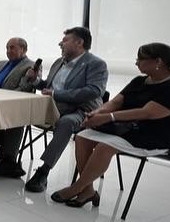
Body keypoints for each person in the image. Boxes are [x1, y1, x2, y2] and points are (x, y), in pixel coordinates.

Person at [50, 43, 170, 209]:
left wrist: (108, 117)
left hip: (157, 136)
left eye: (140, 59)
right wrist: (97, 112)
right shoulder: (140, 81)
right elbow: (116, 102)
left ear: (158, 62)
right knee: (82, 137)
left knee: (105, 147)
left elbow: (147, 113)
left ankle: (76, 187)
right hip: (128, 129)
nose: (136, 63)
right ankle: (88, 190)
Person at [21, 27, 109, 193]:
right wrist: (36, 80)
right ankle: (9, 158)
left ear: (79, 43)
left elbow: (94, 91)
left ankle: (43, 171)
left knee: (66, 123)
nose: (60, 43)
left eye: (65, 40)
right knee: (20, 110)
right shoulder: (58, 62)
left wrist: (56, 94)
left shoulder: (96, 64)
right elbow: (48, 86)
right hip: (53, 107)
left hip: (81, 111)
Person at [0, 37, 35, 177]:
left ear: (23, 49)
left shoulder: (31, 66)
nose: (8, 51)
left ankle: (8, 160)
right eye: (7, 48)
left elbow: (24, 89)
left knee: (17, 118)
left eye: (12, 48)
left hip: (9, 106)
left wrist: (1, 99)